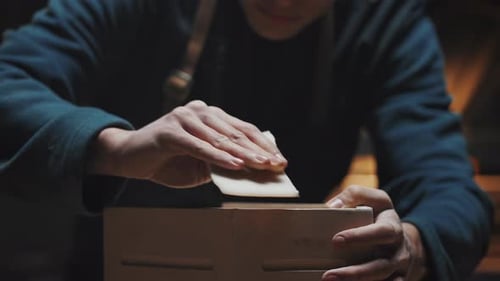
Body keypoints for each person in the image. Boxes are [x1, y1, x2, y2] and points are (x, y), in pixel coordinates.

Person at [0, 0, 493, 280]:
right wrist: (119, 147)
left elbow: (447, 185)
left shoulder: (385, 20)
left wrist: (412, 242)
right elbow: (8, 79)